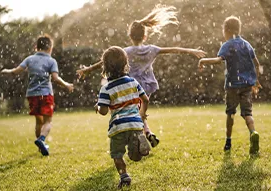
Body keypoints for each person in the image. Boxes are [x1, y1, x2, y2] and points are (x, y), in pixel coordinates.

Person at [77, 4, 207, 148]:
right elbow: (173, 49)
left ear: (130, 35)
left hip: (130, 86)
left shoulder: (126, 51)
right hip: (146, 86)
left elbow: (105, 60)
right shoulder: (152, 49)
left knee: (130, 112)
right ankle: (148, 133)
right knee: (140, 112)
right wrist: (190, 51)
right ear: (145, 36)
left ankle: (139, 137)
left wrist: (88, 69)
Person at [198, 16, 262, 155]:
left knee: (230, 114)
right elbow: (256, 64)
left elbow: (217, 60)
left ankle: (228, 141)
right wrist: (255, 81)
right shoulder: (246, 44)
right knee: (247, 113)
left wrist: (203, 60)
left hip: (232, 86)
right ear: (238, 29)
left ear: (226, 30)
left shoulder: (227, 45)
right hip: (246, 85)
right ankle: (253, 132)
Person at [1, 34, 74, 156]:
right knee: (48, 121)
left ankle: (41, 147)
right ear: (50, 48)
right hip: (45, 94)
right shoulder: (51, 61)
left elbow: (15, 71)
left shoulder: (30, 59)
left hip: (32, 95)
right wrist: (66, 85)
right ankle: (41, 140)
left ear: (36, 47)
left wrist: (6, 71)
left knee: (38, 122)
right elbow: (55, 78)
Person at [95, 46, 151, 189]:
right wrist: (142, 115)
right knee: (135, 156)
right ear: (125, 64)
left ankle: (124, 176)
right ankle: (139, 145)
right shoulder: (132, 82)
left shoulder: (106, 88)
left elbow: (103, 111)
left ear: (105, 67)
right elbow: (145, 99)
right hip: (135, 124)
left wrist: (98, 106)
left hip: (118, 127)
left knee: (117, 155)